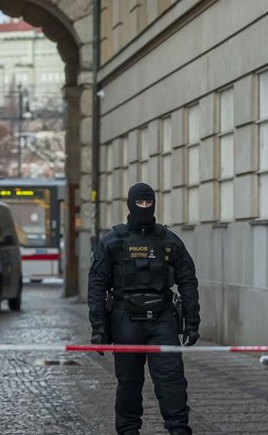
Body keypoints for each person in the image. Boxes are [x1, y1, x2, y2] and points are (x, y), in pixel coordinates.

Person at [88, 182, 200, 435]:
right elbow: (96, 285)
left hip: (162, 319)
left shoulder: (169, 241)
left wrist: (192, 322)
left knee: (172, 380)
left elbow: (188, 281)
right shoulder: (112, 242)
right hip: (125, 318)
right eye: (140, 203)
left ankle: (179, 429)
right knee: (129, 382)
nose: (145, 207)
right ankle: (128, 430)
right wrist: (98, 328)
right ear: (130, 204)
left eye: (149, 203)